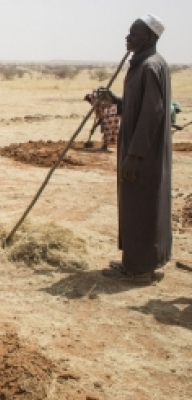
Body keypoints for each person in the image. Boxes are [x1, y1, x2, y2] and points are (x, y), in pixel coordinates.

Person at [99, 14, 172, 283]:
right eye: (128, 33)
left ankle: (140, 269)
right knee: (137, 205)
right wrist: (115, 100)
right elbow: (137, 106)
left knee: (141, 206)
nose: (128, 38)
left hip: (144, 155)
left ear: (150, 38)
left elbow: (152, 113)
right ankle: (137, 262)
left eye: (134, 34)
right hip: (139, 152)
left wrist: (135, 155)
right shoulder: (143, 65)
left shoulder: (150, 66)